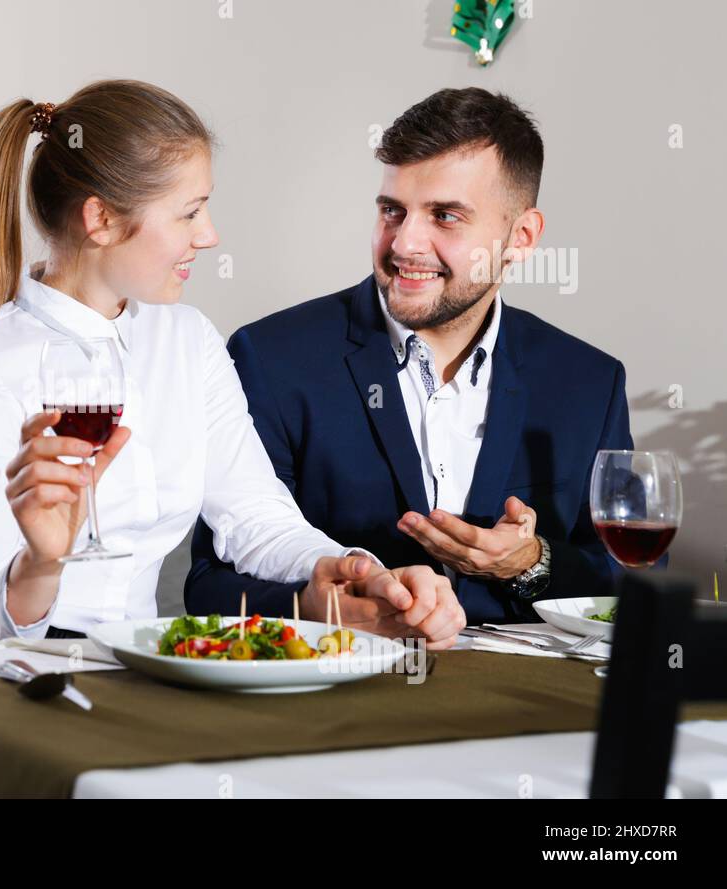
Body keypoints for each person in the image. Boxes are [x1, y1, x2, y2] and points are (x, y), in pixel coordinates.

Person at [0, 80, 465, 652]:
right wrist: (42, 564)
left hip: (128, 658)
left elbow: (255, 515)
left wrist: (358, 571)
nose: (209, 236)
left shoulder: (188, 340)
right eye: (189, 213)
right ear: (101, 220)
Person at [188, 88, 630, 626]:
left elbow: (631, 582)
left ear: (521, 237)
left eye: (444, 216)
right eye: (392, 211)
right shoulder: (271, 358)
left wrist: (531, 563)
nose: (405, 244)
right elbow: (210, 587)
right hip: (337, 693)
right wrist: (334, 609)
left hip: (529, 703)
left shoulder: (588, 381)